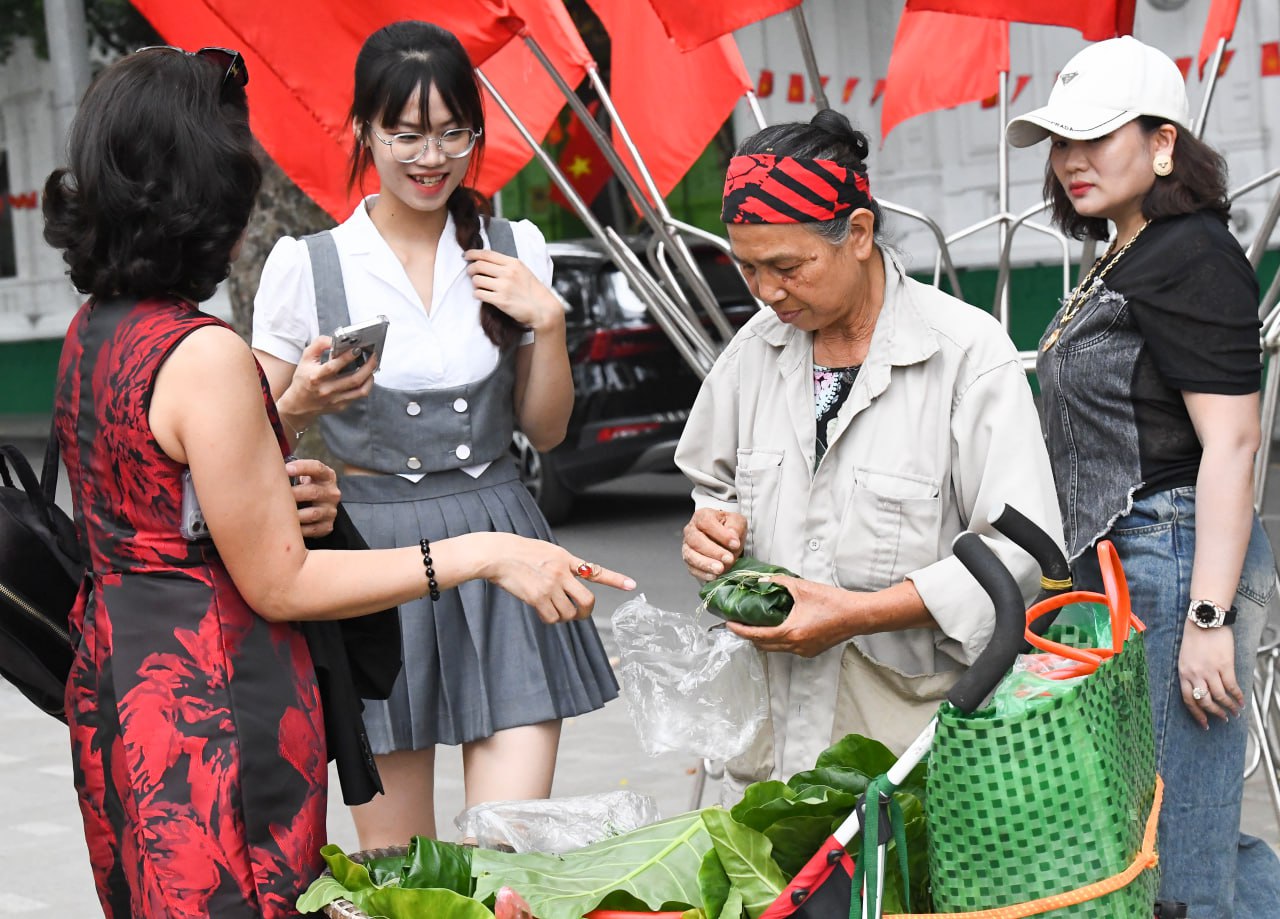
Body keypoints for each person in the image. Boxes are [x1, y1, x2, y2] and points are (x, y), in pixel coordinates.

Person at [43, 46, 632, 918]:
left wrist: (277, 451)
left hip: (128, 684)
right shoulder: (202, 349)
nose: (432, 155)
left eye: (452, 132)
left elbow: (171, 488)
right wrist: (478, 552)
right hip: (216, 698)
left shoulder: (96, 332)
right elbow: (279, 576)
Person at [250, 20, 619, 849]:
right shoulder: (307, 265)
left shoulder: (514, 248)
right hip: (367, 562)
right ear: (363, 131)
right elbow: (247, 440)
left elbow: (547, 431)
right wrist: (303, 398)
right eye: (407, 134)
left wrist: (549, 324)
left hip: (506, 548)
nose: (433, 156)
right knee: (404, 877)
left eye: (455, 132)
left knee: (507, 854)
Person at [675, 109, 1063, 798]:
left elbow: (1019, 556)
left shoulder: (966, 356)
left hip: (912, 753)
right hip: (772, 757)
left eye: (787, 267)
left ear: (857, 233)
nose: (766, 292)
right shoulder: (752, 355)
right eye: (748, 267)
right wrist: (711, 530)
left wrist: (858, 612)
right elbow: (714, 488)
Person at [1006, 35, 1280, 917]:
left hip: (1174, 561)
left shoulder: (1191, 251)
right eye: (1060, 141)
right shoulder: (1130, 250)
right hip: (1128, 568)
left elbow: (1234, 444)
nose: (1072, 160)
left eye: (1098, 136)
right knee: (1154, 826)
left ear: (1164, 145)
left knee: (1179, 843)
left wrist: (1209, 616)